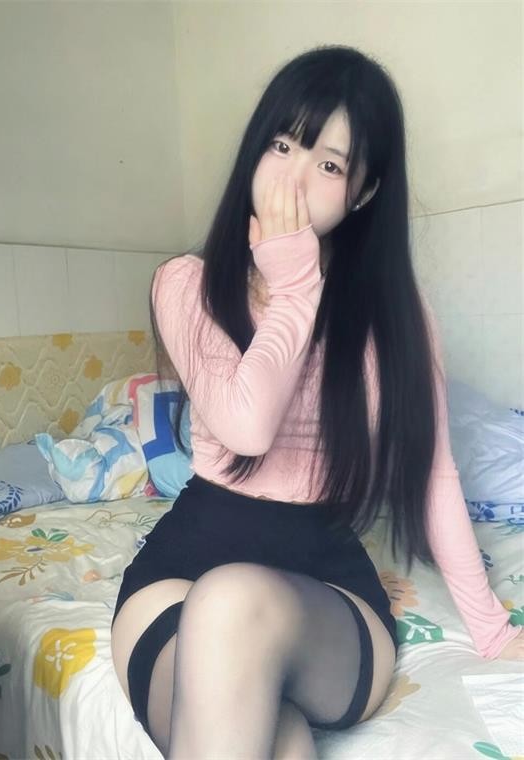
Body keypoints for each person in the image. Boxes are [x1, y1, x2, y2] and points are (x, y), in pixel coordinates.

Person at [111, 44, 524, 760]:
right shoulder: (186, 283)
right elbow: (246, 425)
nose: (293, 180)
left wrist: (491, 630)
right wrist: (295, 285)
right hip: (181, 570)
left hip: (324, 589)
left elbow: (433, 473)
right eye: (281, 145)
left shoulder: (397, 314)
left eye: (329, 165)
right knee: (281, 741)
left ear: (363, 191)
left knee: (234, 604)